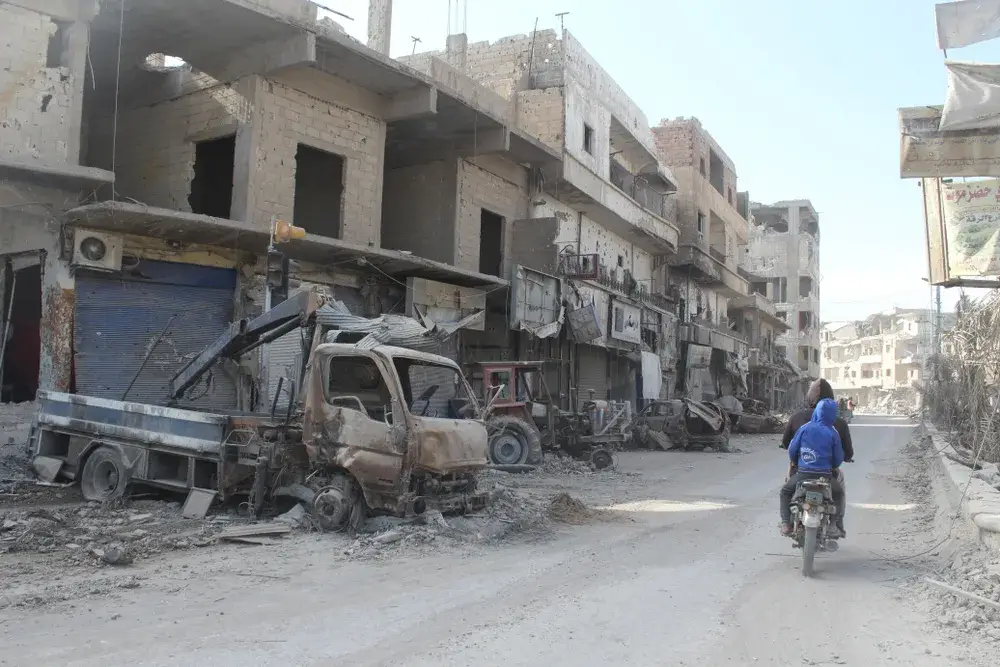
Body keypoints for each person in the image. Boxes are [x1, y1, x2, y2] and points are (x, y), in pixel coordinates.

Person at [781, 378, 853, 535]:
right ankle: (836, 524)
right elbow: (841, 455)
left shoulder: (799, 421)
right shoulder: (837, 426)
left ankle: (786, 522)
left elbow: (789, 445)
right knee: (839, 492)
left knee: (786, 490)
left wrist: (796, 459)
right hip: (827, 474)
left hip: (800, 471)